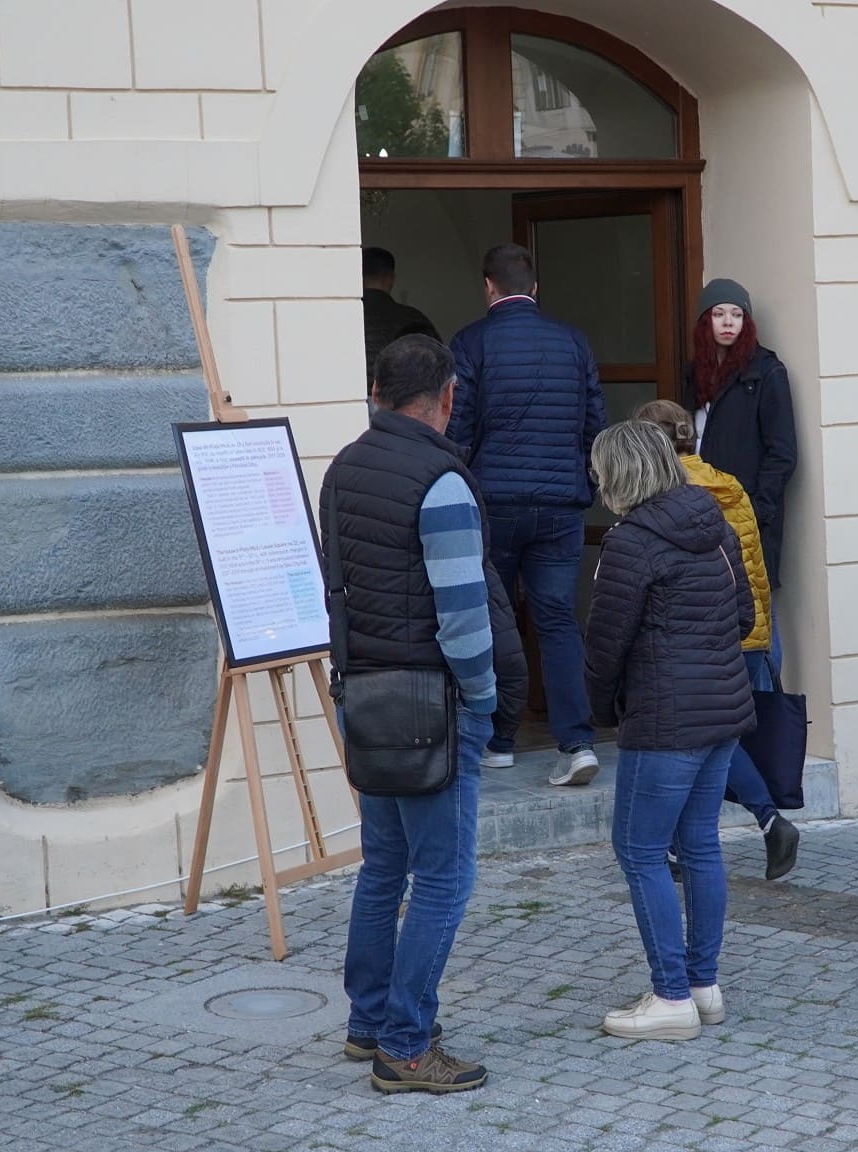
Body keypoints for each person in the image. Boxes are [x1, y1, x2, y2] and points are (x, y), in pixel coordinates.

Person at [326, 334, 527, 1093]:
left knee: (384, 868)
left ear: (378, 391)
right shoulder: (441, 481)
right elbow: (463, 619)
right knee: (443, 879)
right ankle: (405, 1047)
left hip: (365, 695)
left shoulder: (344, 469)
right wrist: (482, 697)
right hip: (430, 704)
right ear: (446, 398)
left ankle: (369, 1021)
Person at [584, 419, 755, 1040]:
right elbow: (742, 617)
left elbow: (605, 647)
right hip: (723, 711)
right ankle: (703, 986)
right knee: (700, 845)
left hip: (665, 719)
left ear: (618, 474)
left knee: (639, 851)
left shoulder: (631, 543)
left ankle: (671, 997)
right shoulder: (713, 526)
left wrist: (602, 711)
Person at [448, 244, 607, 786]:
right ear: (534, 289)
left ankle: (498, 738)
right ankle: (577, 741)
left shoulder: (471, 342)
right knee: (558, 620)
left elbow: (459, 430)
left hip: (493, 505)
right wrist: (582, 484)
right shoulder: (574, 342)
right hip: (560, 507)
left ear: (487, 286)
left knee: (494, 618)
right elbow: (594, 428)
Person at [636, 399, 799, 880]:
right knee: (718, 741)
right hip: (751, 632)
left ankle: (764, 820)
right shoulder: (731, 486)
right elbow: (755, 564)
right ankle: (693, 842)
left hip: (705, 636)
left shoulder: (667, 495)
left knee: (706, 743)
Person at [689, 279, 797, 660]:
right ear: (705, 321)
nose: (728, 322)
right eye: (719, 314)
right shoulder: (696, 375)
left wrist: (756, 508)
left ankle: (772, 713)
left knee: (761, 624)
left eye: (737, 314)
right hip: (702, 514)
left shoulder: (766, 372)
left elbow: (783, 453)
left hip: (750, 519)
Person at [360, 247, 439, 383]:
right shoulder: (414, 318)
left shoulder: (343, 320)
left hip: (352, 399)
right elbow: (438, 367)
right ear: (391, 279)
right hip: (400, 399)